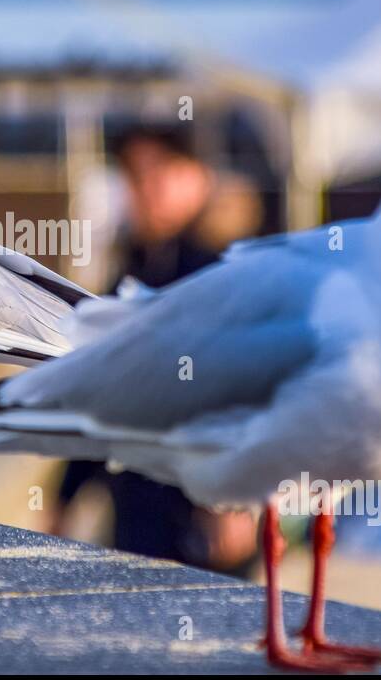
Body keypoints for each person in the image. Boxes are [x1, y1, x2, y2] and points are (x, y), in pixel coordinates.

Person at [49, 123, 262, 575]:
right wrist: (64, 497)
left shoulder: (230, 276)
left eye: (162, 170)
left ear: (200, 178)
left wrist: (239, 499)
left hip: (206, 515)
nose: (147, 187)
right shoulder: (126, 281)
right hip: (133, 507)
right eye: (135, 173)